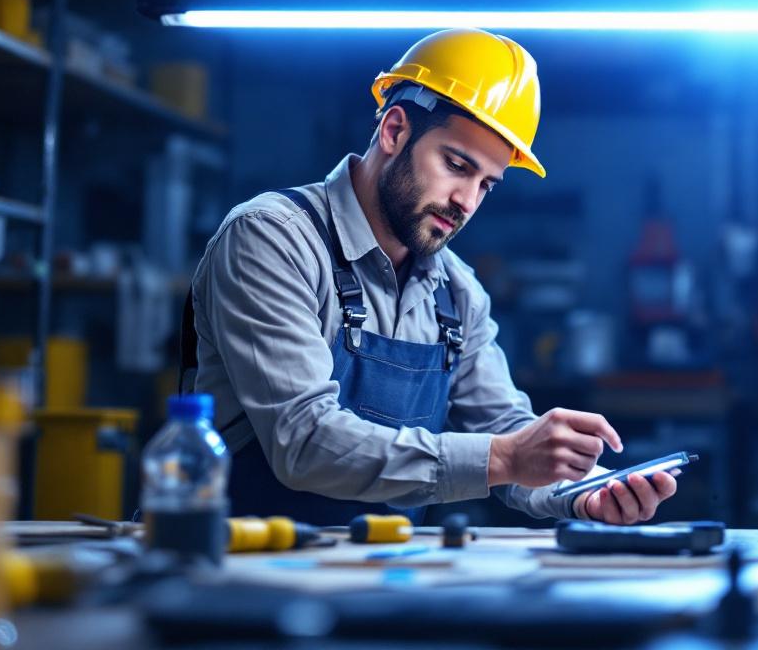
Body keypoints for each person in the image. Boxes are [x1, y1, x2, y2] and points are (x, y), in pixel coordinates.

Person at [185, 28, 679, 525]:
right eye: (456, 165)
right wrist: (504, 457)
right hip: (242, 570)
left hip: (380, 576)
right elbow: (305, 441)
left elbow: (504, 426)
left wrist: (580, 493)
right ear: (395, 131)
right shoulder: (273, 239)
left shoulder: (456, 292)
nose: (467, 201)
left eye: (486, 184)